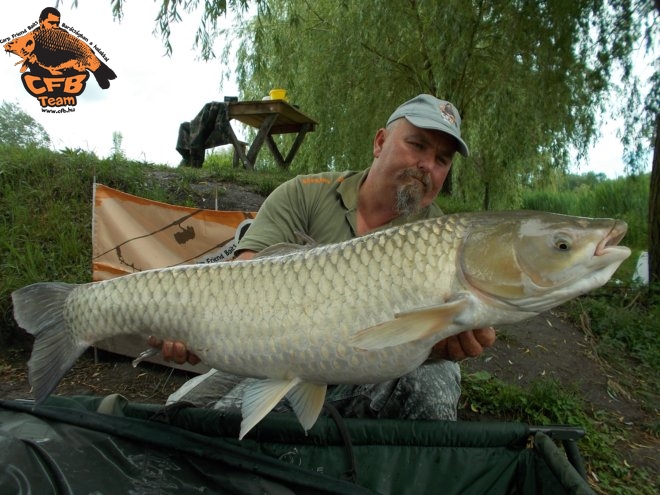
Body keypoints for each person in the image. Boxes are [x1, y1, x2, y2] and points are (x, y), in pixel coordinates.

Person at [154, 94, 496, 421]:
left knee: (438, 379)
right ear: (380, 143)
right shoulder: (305, 193)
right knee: (185, 416)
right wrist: (190, 324)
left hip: (373, 366)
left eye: (442, 160)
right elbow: (240, 282)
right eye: (417, 145)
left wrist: (439, 348)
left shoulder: (445, 239)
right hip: (269, 352)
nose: (426, 166)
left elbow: (418, 341)